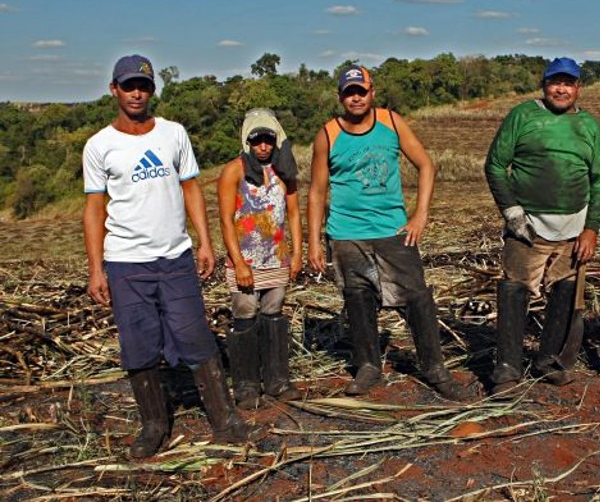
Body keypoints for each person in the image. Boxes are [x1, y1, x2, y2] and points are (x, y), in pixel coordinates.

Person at [83, 54, 249, 459]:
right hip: (125, 262)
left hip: (175, 257)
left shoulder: (173, 134)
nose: (137, 93)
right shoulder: (99, 145)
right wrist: (95, 269)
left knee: (194, 335)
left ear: (153, 90)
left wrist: (205, 243)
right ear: (114, 90)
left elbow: (191, 188)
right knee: (138, 344)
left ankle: (224, 418)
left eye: (144, 86)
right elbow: (94, 208)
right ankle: (154, 424)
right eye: (128, 86)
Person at [307, 66, 463, 400]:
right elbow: (317, 193)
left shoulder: (391, 122)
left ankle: (434, 367)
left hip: (393, 229)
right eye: (349, 92)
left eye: (361, 91)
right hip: (347, 233)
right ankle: (368, 367)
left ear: (372, 92)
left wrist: (420, 215)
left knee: (417, 298)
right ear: (340, 97)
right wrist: (314, 244)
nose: (356, 98)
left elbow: (426, 165)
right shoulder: (328, 134)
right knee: (358, 299)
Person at [485, 57, 600, 391]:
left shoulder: (589, 126)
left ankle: (548, 362)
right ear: (544, 84)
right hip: (529, 228)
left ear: (578, 88)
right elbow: (495, 165)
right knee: (514, 290)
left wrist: (592, 228)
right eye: (556, 82)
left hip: (573, 231)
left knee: (565, 293)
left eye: (568, 83)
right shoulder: (523, 115)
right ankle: (507, 369)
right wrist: (512, 213)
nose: (561, 89)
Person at [217, 108, 303, 408]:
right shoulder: (234, 171)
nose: (263, 146)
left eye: (268, 139)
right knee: (245, 314)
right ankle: (246, 386)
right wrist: (239, 262)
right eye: (257, 141)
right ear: (247, 141)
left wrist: (297, 253)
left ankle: (278, 380)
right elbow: (226, 219)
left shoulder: (284, 171)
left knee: (274, 313)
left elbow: (293, 214)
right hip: (246, 259)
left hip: (276, 256)